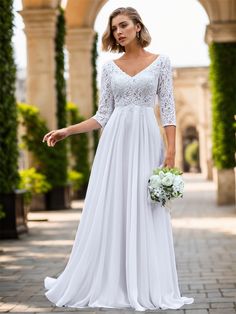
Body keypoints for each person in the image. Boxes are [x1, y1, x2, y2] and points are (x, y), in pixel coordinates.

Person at [42, 6, 194, 311]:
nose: (119, 32)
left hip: (148, 142)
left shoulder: (161, 62)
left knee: (145, 207)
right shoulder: (109, 68)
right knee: (114, 206)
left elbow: (168, 110)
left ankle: (147, 282)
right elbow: (103, 115)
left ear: (138, 27)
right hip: (115, 145)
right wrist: (68, 130)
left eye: (124, 25)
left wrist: (172, 151)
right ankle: (112, 280)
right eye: (114, 29)